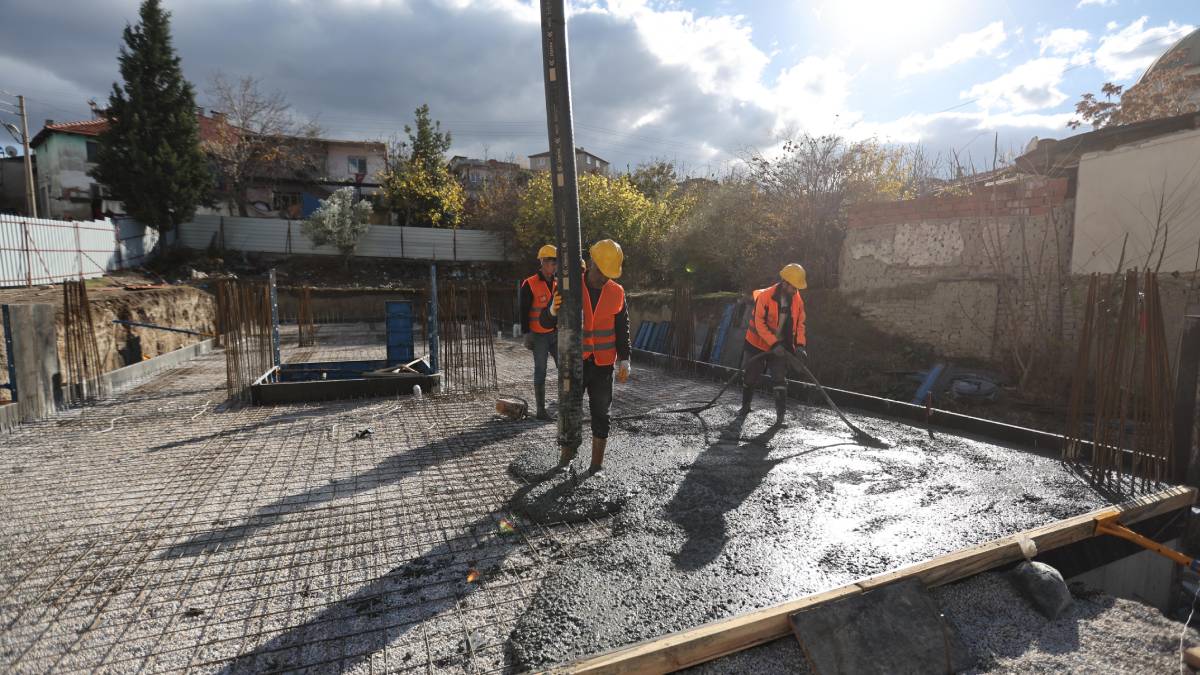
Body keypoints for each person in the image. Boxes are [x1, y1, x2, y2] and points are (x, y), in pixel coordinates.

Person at [540, 239, 631, 475]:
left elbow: (622, 328)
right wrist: (552, 310)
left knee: (602, 413)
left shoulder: (617, 292)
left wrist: (625, 358)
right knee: (570, 410)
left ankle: (596, 465)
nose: (604, 278)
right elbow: (545, 322)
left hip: (603, 365)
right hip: (575, 362)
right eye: (601, 271)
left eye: (609, 274)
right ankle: (566, 459)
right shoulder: (569, 287)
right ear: (591, 263)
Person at [740, 263, 807, 427]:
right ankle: (745, 407)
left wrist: (799, 345)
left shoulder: (797, 299)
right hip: (757, 344)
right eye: (794, 287)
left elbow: (800, 324)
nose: (795, 290)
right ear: (785, 283)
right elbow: (760, 324)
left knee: (779, 378)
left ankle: (780, 418)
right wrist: (773, 343)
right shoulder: (765, 297)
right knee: (751, 376)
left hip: (780, 347)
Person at [519, 244, 559, 420]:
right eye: (551, 261)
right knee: (541, 370)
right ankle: (541, 410)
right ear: (542, 262)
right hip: (538, 334)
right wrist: (526, 333)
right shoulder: (530, 283)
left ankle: (565, 404)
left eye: (556, 262)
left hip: (556, 334)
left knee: (565, 367)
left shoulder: (558, 283)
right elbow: (523, 309)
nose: (554, 265)